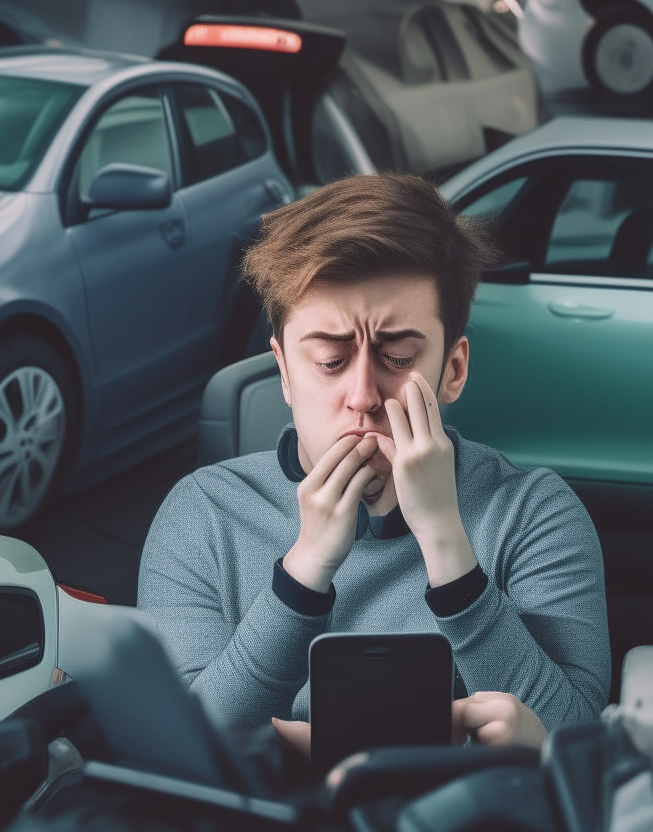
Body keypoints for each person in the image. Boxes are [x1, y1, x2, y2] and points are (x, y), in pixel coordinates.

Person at [138, 173, 609, 755]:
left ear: (453, 370)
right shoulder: (202, 513)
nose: (363, 395)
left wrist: (446, 544)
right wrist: (305, 569)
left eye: (397, 357)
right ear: (283, 370)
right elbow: (176, 750)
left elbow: (582, 742)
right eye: (332, 362)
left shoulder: (534, 511)